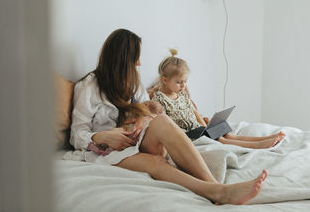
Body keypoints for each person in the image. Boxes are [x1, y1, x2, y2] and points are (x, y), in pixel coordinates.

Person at [70, 29, 267, 205]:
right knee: (157, 163)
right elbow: (77, 134)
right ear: (121, 60)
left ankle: (213, 184)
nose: (139, 63)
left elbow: (145, 108)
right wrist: (102, 136)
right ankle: (218, 192)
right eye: (135, 58)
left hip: (133, 138)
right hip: (105, 150)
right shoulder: (88, 87)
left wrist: (144, 117)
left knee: (163, 121)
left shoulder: (133, 81)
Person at [151, 49, 285, 148]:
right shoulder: (159, 99)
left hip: (198, 128)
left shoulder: (182, 94)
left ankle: (265, 138)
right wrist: (203, 130)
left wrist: (205, 126)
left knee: (226, 132)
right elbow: (165, 126)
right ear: (165, 80)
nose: (183, 85)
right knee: (222, 140)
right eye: (179, 82)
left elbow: (195, 112)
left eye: (185, 81)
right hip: (186, 135)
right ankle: (258, 145)